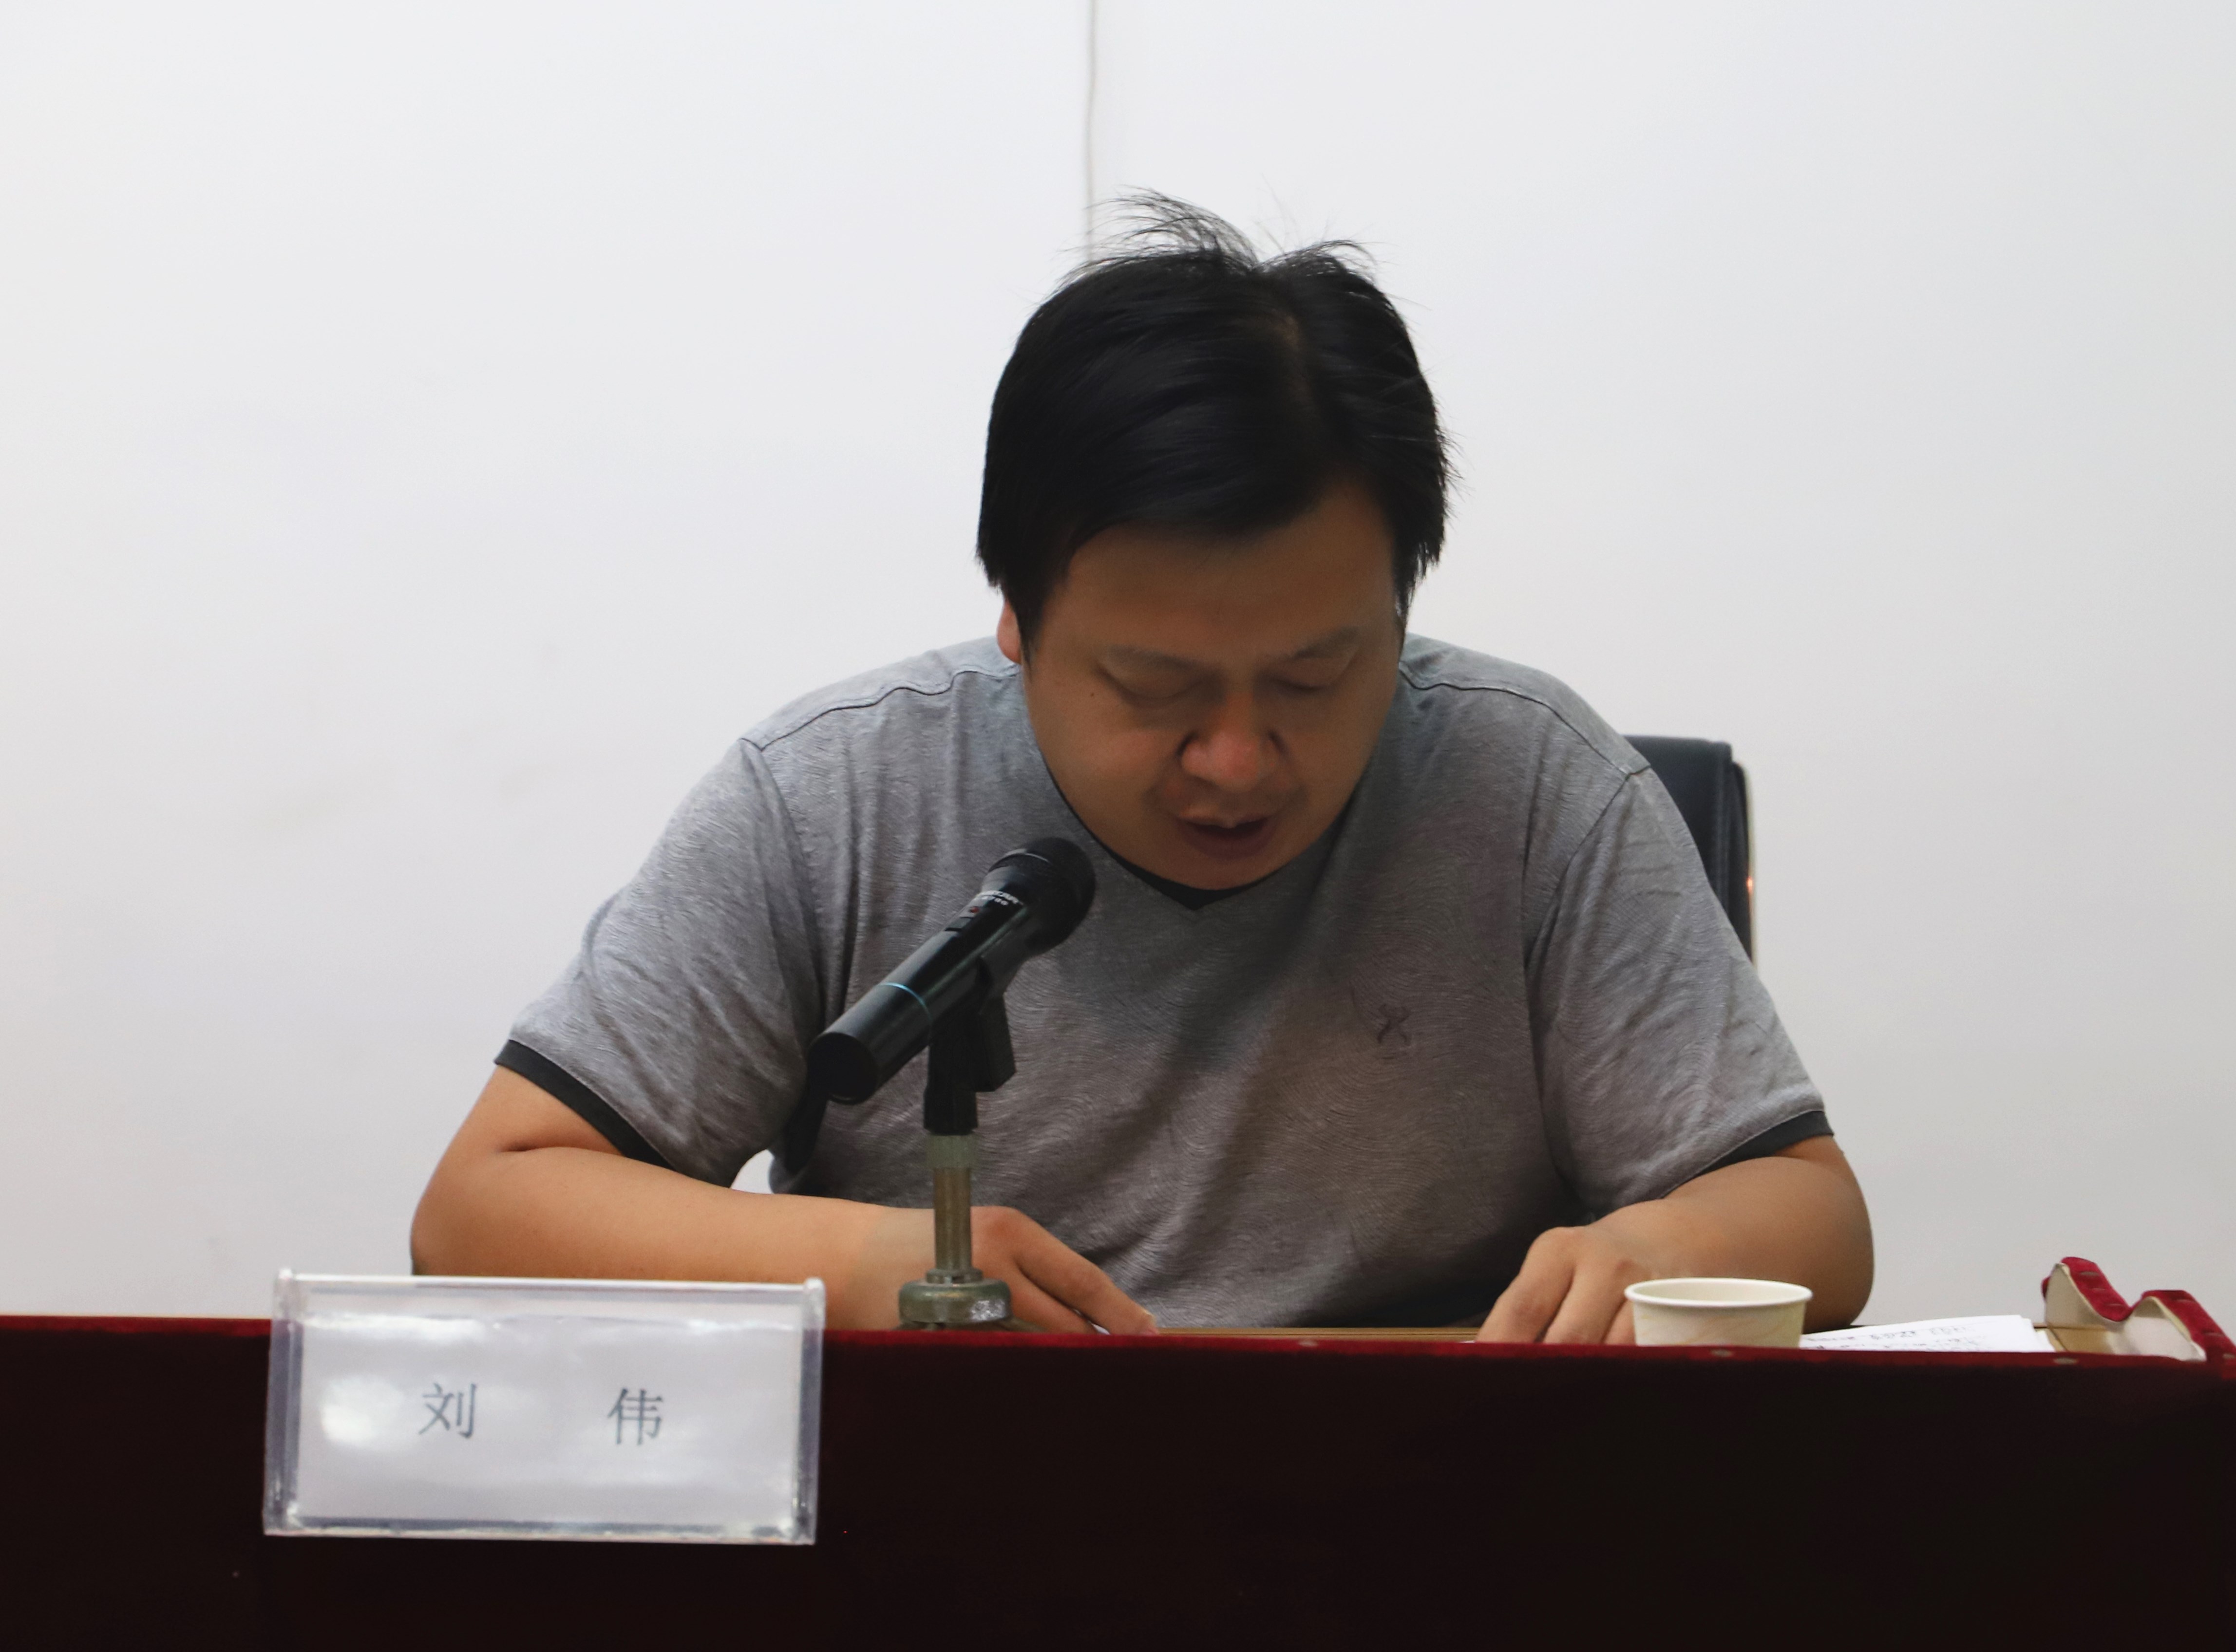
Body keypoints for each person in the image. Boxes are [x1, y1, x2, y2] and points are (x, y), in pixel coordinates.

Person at [412, 200, 1872, 1342]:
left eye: (1314, 677)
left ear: (1401, 610)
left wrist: (1665, 1246)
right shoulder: (833, 799)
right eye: (1154, 688)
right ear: (1018, 619)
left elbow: (1813, 1214)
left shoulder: (1533, 785)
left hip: (1426, 1524)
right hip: (956, 1536)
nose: (1236, 760)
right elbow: (483, 1207)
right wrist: (870, 1263)